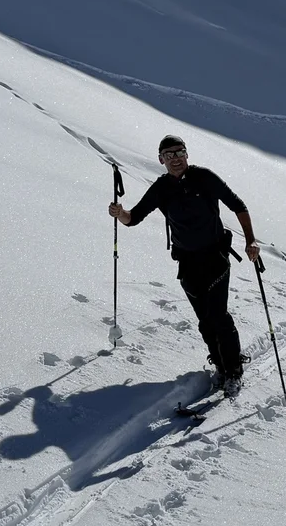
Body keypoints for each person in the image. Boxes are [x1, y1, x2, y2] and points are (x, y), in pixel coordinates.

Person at [110, 136, 259, 390]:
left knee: (218, 315)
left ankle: (233, 369)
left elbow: (238, 205)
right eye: (169, 155)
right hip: (187, 262)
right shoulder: (161, 188)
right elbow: (133, 218)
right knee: (204, 319)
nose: (175, 159)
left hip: (216, 256)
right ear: (161, 160)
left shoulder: (205, 177)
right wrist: (120, 213)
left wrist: (251, 241)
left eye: (179, 153)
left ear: (187, 154)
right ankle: (221, 366)